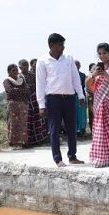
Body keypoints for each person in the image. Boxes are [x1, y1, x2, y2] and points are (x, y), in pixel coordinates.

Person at [36, 33, 86, 167]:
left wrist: (81, 95)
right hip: (53, 99)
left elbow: (75, 78)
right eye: (60, 45)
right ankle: (57, 159)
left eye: (63, 45)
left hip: (69, 98)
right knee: (54, 129)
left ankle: (72, 156)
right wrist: (41, 105)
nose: (62, 48)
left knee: (71, 128)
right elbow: (40, 84)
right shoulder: (42, 61)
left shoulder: (69, 59)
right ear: (51, 46)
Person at [19, 59, 48, 146]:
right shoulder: (19, 77)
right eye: (23, 65)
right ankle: (26, 141)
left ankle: (38, 139)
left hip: (34, 100)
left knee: (37, 120)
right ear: (20, 67)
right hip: (24, 101)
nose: (25, 67)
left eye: (26, 65)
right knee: (26, 121)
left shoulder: (33, 75)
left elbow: (39, 86)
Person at [2, 64, 30, 148]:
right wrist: (21, 91)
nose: (15, 72)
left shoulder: (21, 80)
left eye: (16, 70)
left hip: (23, 104)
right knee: (13, 123)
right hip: (13, 104)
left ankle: (23, 142)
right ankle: (13, 142)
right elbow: (10, 91)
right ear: (9, 72)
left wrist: (17, 90)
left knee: (23, 123)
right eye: (13, 70)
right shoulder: (7, 81)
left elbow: (28, 90)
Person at [75, 61, 88, 137]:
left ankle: (82, 129)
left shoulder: (83, 75)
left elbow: (84, 85)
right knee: (74, 113)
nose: (76, 66)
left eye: (77, 65)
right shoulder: (69, 75)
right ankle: (75, 129)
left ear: (79, 66)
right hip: (72, 96)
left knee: (82, 113)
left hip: (81, 97)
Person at [87, 63, 96, 132]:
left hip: (100, 100)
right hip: (92, 100)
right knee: (93, 116)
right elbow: (89, 90)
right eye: (94, 69)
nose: (96, 70)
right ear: (90, 70)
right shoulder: (88, 78)